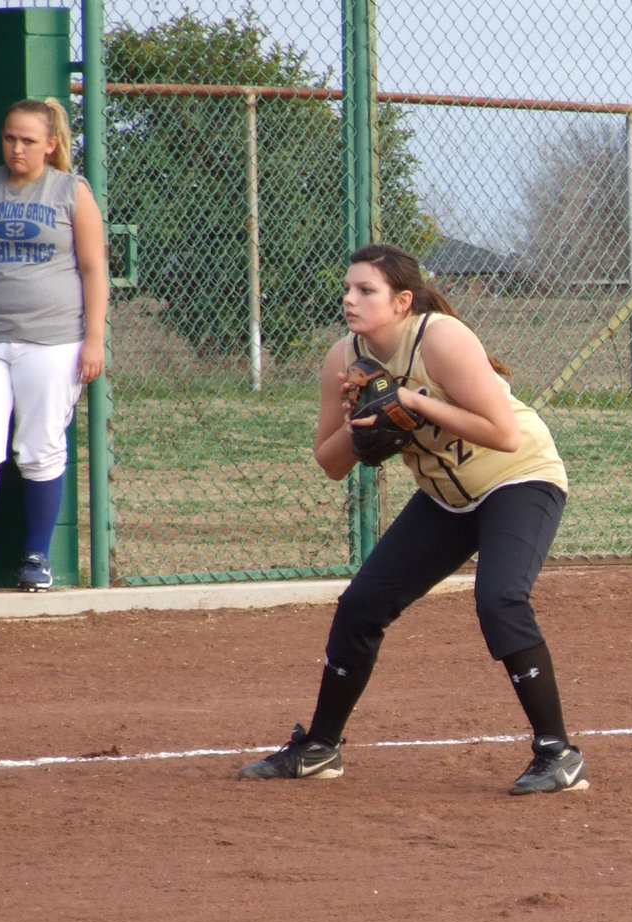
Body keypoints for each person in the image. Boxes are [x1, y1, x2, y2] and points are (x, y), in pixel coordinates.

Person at [238, 242, 588, 796]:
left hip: (519, 477)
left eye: (365, 290)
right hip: (446, 497)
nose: (350, 299)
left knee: (500, 598)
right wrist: (365, 424)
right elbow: (330, 462)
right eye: (348, 289)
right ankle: (320, 749)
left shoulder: (440, 338)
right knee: (362, 605)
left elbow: (504, 433)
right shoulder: (344, 358)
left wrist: (414, 402)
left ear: (403, 301)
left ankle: (558, 753)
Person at [0, 97, 107, 592]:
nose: (17, 148)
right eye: (10, 138)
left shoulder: (70, 190)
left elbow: (93, 268)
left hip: (54, 338)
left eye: (28, 141)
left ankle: (36, 558)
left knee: (39, 447)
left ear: (51, 144)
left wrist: (94, 339)